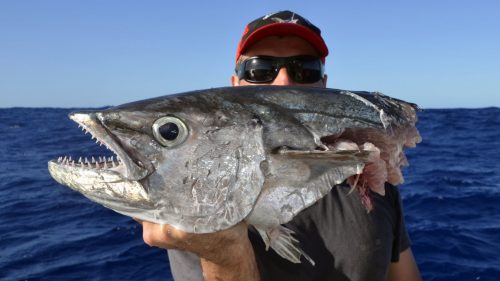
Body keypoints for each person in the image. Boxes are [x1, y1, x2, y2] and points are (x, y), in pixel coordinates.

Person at [135, 10, 422, 281]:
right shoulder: (200, 190)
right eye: (260, 70)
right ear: (235, 84)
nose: (283, 81)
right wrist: (223, 253)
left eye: (304, 70)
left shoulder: (369, 173)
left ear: (324, 85)